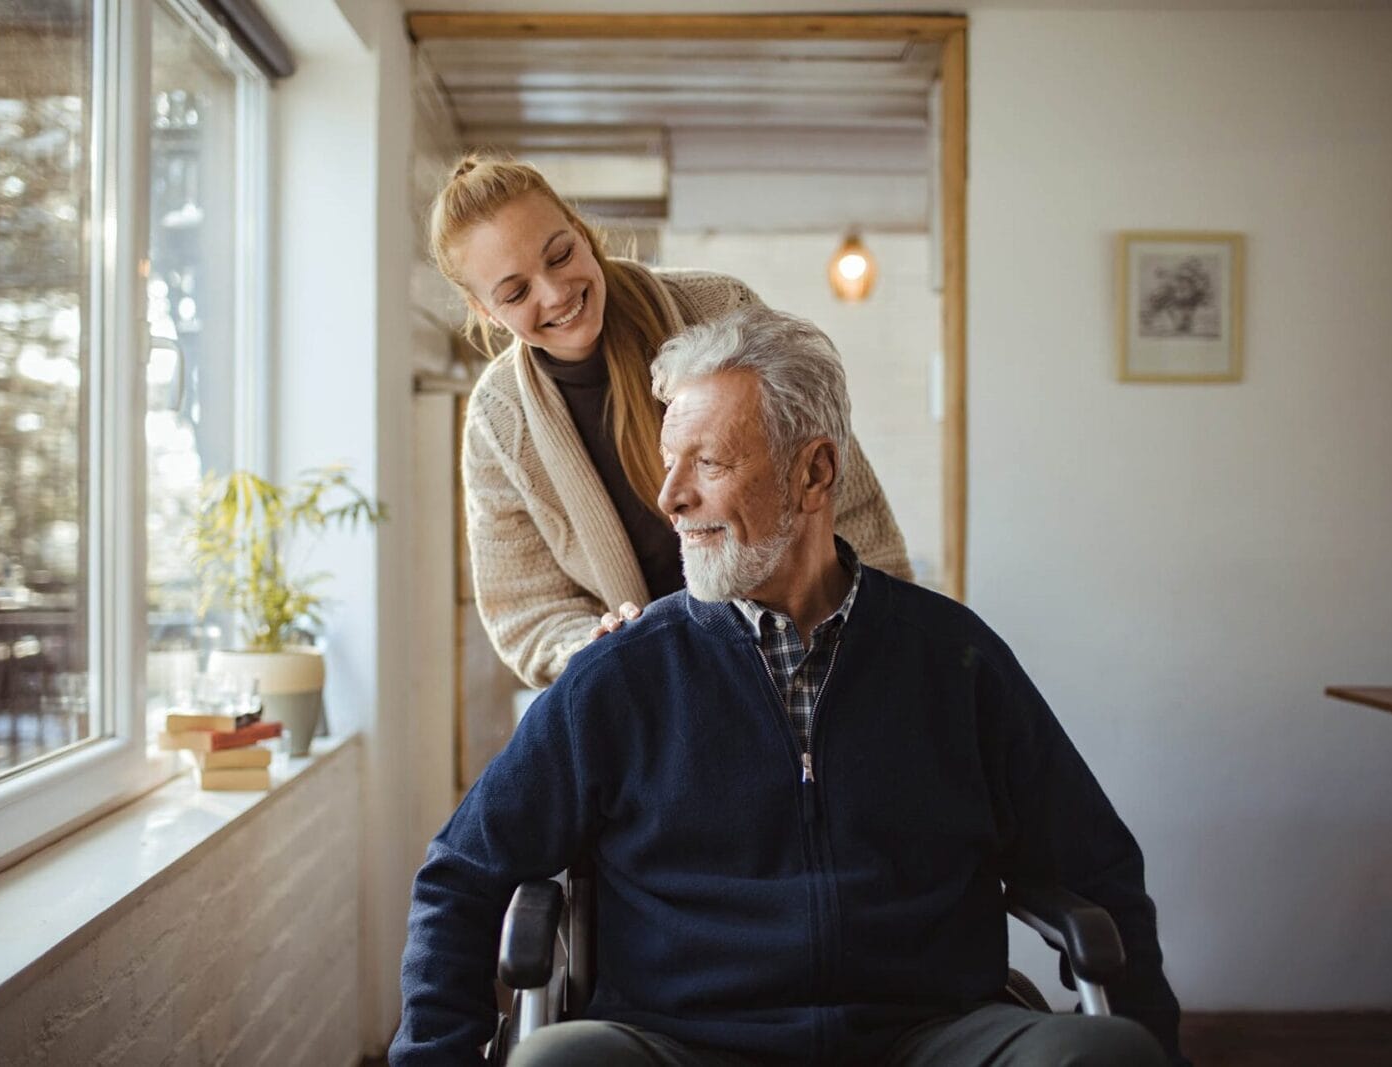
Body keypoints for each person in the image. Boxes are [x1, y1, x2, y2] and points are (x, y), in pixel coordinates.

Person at [390, 306, 1188, 1067]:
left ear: (814, 472)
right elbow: (462, 873)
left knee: (1108, 1055)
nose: (669, 496)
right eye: (669, 464)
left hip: (930, 1034)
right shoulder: (624, 674)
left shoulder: (953, 659)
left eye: (707, 461)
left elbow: (1098, 865)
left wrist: (1152, 1033)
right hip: (679, 1040)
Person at [429, 154, 911, 688]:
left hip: (807, 655)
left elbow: (841, 492)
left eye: (560, 255)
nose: (555, 292)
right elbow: (527, 609)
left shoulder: (720, 307)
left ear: (582, 231)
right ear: (485, 311)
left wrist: (883, 635)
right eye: (516, 293)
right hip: (656, 692)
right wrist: (590, 644)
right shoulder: (497, 422)